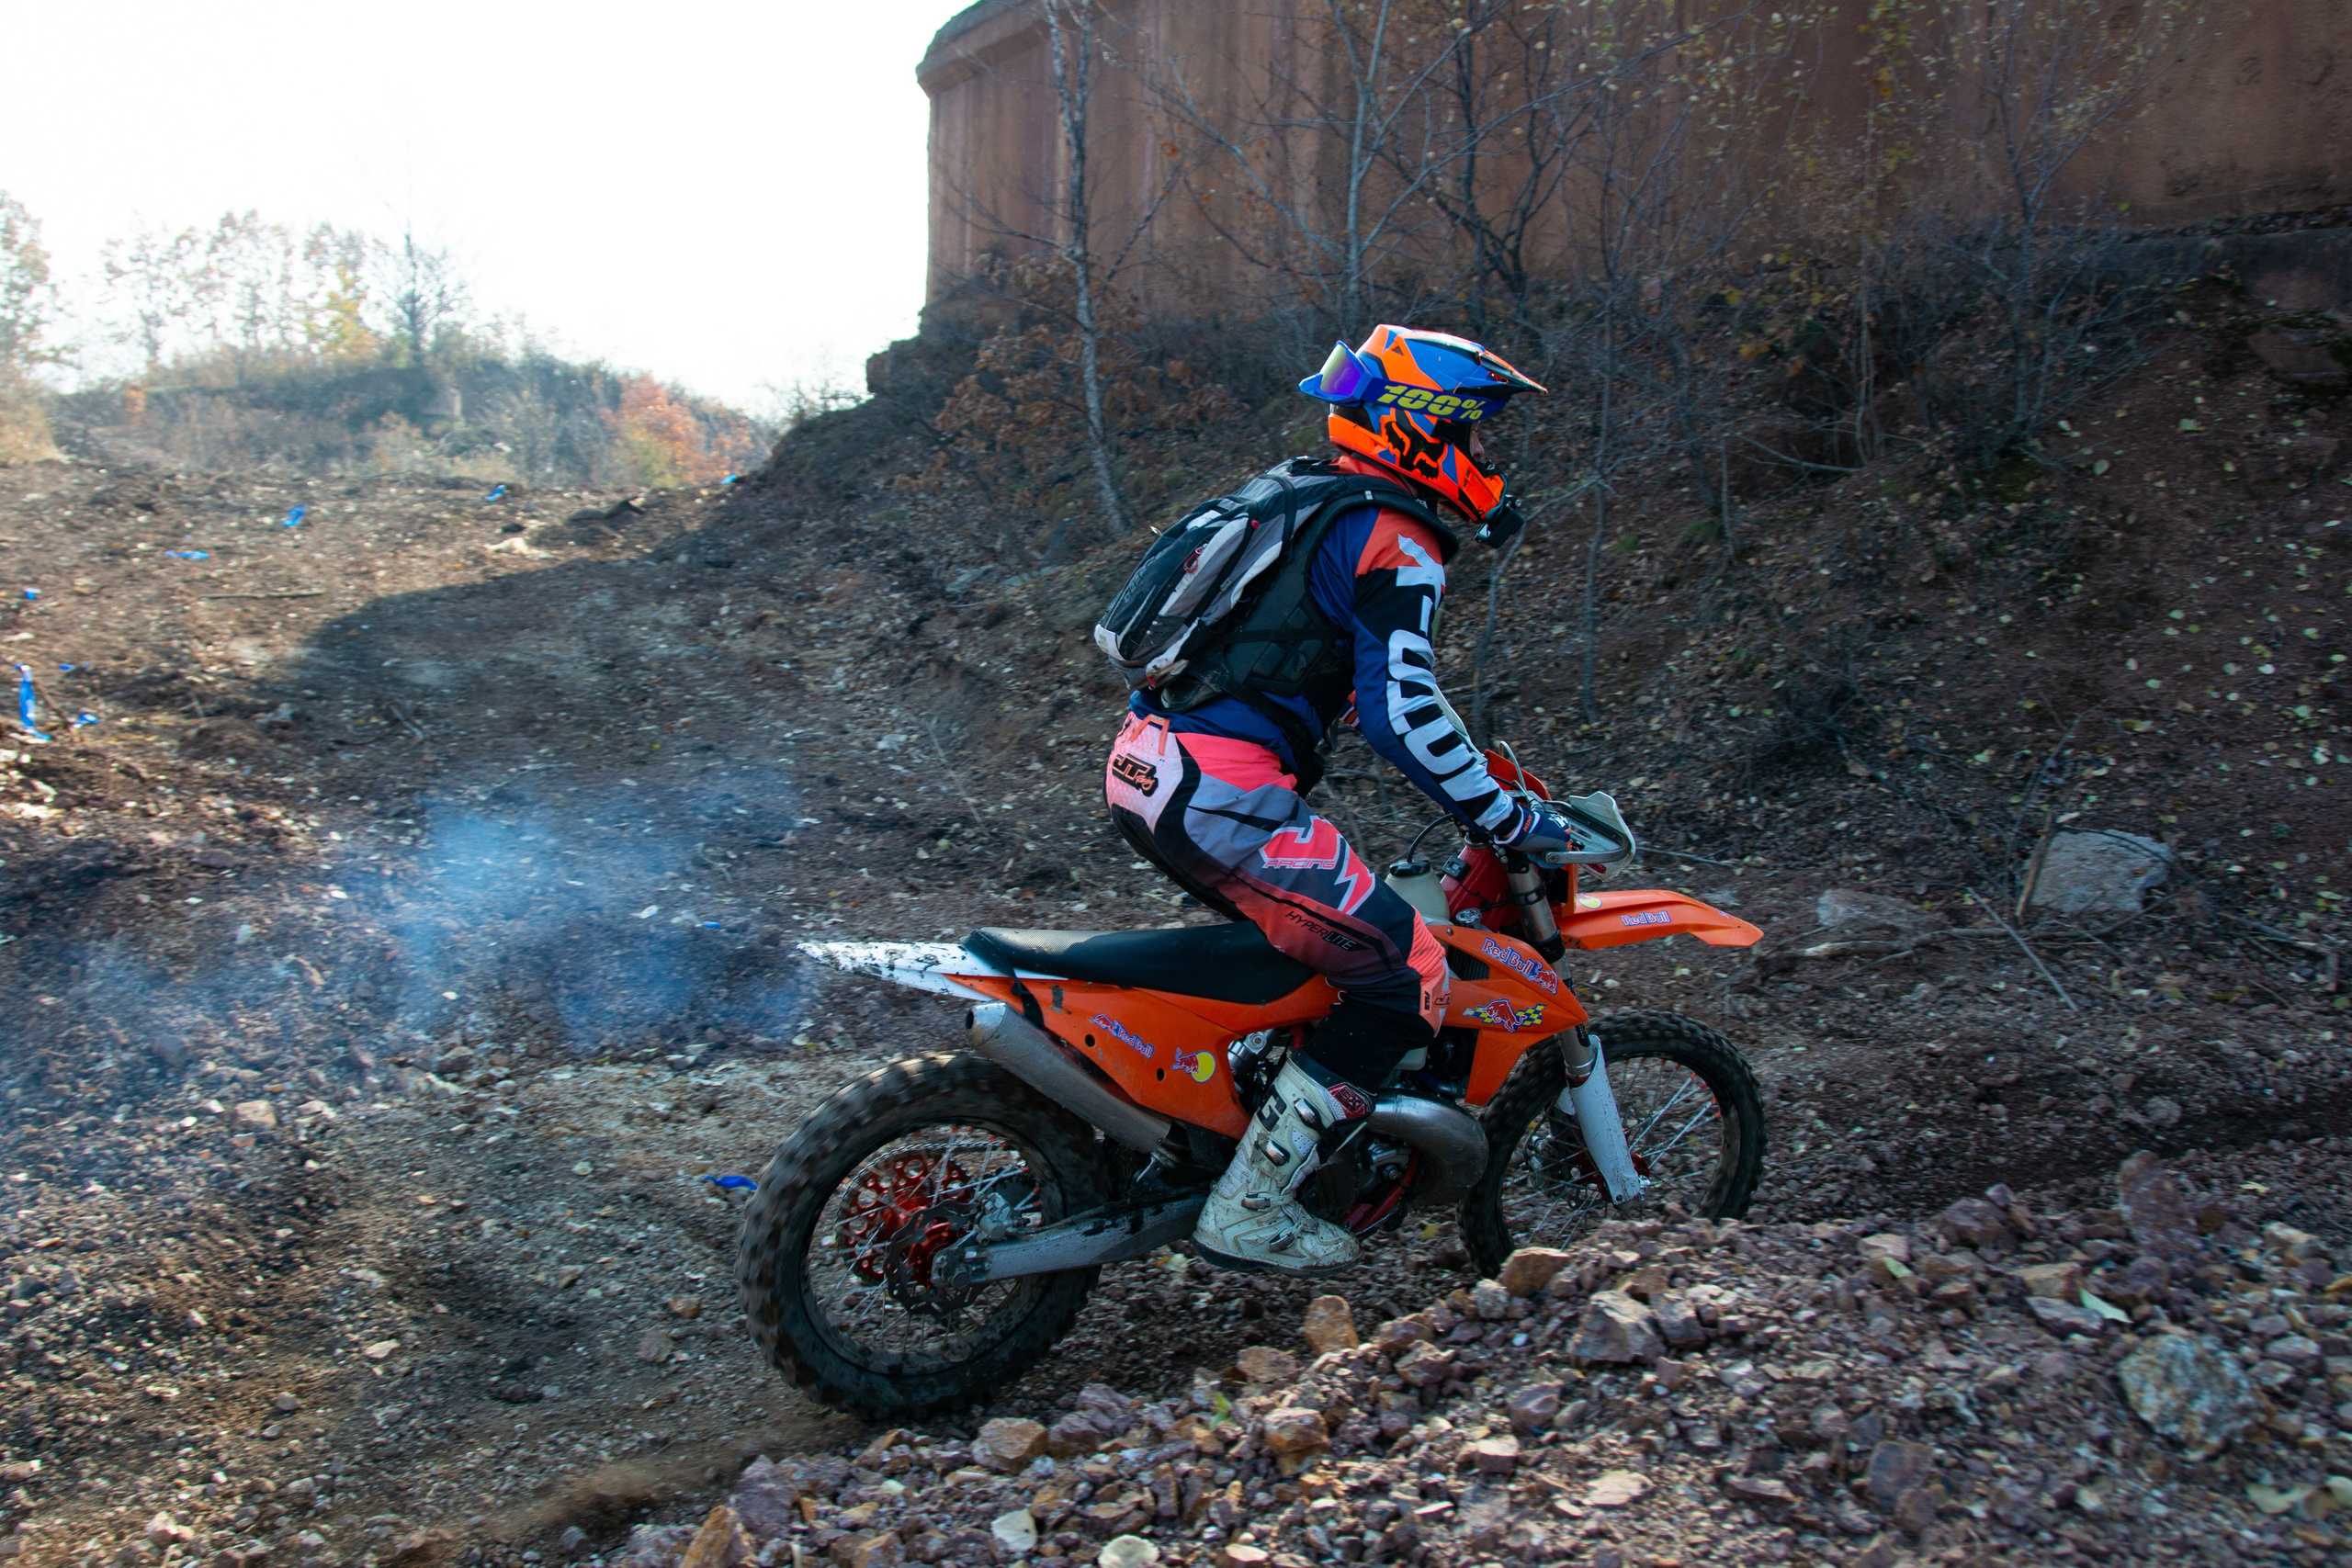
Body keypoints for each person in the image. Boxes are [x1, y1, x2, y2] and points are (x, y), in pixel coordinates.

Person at [1102, 324, 1588, 1275]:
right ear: (1425, 427)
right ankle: (1250, 1208)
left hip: (1146, 763)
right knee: (1407, 975)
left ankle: (1236, 1124)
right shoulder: (1396, 538)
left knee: (1324, 941)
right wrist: (1506, 814)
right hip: (1222, 797)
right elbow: (1403, 713)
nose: (1486, 458)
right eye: (1478, 435)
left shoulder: (1302, 494)